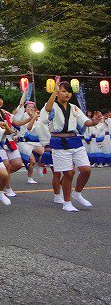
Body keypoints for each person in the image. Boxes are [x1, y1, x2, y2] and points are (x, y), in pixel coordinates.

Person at [40, 79, 101, 212]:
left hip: (75, 141)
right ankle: (66, 202)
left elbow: (85, 122)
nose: (67, 94)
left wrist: (94, 122)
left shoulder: (74, 107)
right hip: (59, 142)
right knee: (68, 173)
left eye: (69, 92)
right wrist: (55, 90)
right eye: (63, 91)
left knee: (86, 170)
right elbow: (47, 112)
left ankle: (77, 193)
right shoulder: (52, 105)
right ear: (57, 93)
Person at [0, 92, 24, 198]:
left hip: (9, 140)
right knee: (6, 164)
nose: (0, 101)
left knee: (17, 164)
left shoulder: (5, 113)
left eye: (1, 99)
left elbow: (17, 123)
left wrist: (32, 117)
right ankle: (7, 188)